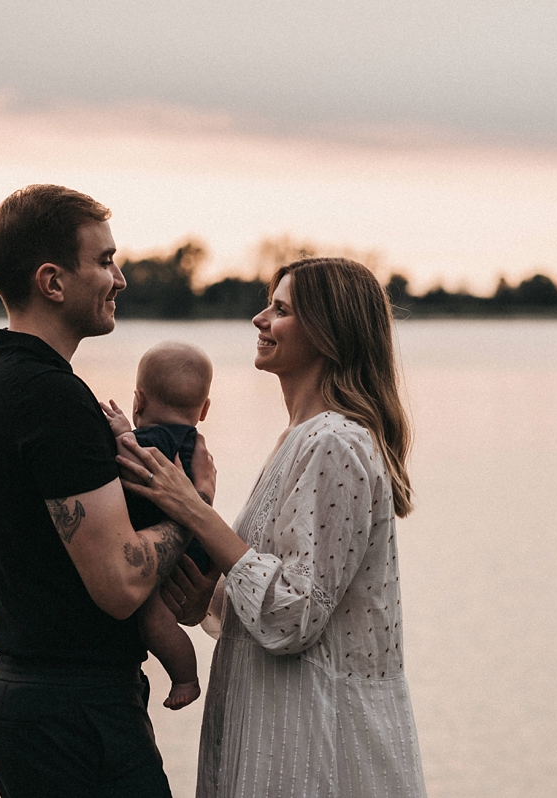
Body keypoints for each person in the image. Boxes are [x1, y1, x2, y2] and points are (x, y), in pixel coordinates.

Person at [120, 257, 427, 797]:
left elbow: (296, 614)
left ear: (327, 333)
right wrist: (208, 600)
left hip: (315, 742)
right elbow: (287, 589)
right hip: (274, 723)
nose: (259, 320)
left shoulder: (335, 442)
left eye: (280, 310)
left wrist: (192, 508)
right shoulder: (301, 439)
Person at [0, 184, 214, 798]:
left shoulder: (1, 380)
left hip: (37, 698)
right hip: (72, 711)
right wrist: (192, 505)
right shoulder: (51, 398)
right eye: (104, 260)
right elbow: (123, 581)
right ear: (52, 281)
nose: (120, 278)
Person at [101, 340, 216, 710]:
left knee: (153, 617)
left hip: (175, 547)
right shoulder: (192, 441)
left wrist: (120, 432)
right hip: (202, 545)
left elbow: (130, 458)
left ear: (139, 401)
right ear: (204, 409)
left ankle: (186, 677)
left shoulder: (151, 440)